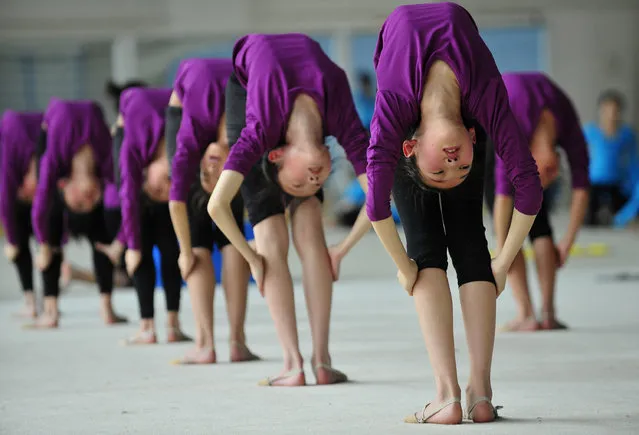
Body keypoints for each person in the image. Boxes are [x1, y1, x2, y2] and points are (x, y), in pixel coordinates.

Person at [366, 3, 543, 424]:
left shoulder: (408, 102)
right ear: (406, 147)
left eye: (460, 167)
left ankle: (479, 391)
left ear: (473, 137)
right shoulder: (465, 101)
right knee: (425, 248)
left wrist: (504, 261)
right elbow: (375, 204)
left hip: (432, 89)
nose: (453, 163)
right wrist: (404, 266)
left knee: (470, 246)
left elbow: (530, 188)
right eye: (452, 168)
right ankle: (450, 394)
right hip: (431, 105)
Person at [208, 33, 371, 386]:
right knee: (270, 238)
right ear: (276, 154)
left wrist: (341, 249)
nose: (313, 183)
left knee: (312, 237)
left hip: (292, 79)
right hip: (247, 82)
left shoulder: (341, 115)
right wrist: (251, 258)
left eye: (313, 183)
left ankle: (322, 359)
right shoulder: (259, 131)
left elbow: (379, 198)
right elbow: (216, 205)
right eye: (303, 185)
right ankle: (293, 361)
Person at [166, 58, 258, 364]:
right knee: (198, 237)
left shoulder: (241, 142)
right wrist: (184, 251)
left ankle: (237, 340)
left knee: (228, 235)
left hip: (224, 83)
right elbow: (176, 200)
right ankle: (206, 342)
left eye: (213, 171)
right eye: (210, 170)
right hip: (199, 89)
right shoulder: (190, 140)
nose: (212, 166)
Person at [492, 72, 590, 332]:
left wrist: (567, 243)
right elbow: (502, 197)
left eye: (548, 176)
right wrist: (504, 253)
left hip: (532, 101)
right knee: (511, 230)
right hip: (492, 106)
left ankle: (546, 313)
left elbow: (582, 188)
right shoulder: (511, 129)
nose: (545, 178)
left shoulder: (568, 128)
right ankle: (528, 313)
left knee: (538, 217)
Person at [30, 98, 127, 328]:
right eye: (88, 202)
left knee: (101, 233)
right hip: (51, 121)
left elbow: (131, 204)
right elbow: (39, 208)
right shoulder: (57, 163)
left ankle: (107, 306)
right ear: (63, 185)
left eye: (81, 202)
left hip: (68, 116)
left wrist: (119, 242)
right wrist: (43, 245)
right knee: (52, 225)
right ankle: (50, 310)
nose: (90, 200)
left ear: (67, 185)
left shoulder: (104, 167)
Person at [110, 87, 190, 344]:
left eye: (168, 187)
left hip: (169, 106)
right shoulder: (130, 149)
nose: (165, 192)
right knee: (140, 251)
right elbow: (128, 198)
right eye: (160, 187)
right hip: (132, 108)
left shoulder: (183, 144)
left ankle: (173, 324)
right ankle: (147, 326)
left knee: (170, 250)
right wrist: (131, 246)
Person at [1, 110, 44, 318]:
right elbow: (5, 201)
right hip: (20, 179)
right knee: (19, 241)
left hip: (37, 163)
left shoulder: (49, 161)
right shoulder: (9, 162)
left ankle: (49, 299)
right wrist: (11, 240)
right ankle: (30, 300)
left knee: (46, 238)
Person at [583, 90, 638, 226]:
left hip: (616, 183)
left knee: (625, 213)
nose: (611, 115)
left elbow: (632, 162)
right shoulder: (590, 131)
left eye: (615, 110)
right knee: (588, 221)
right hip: (594, 184)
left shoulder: (627, 134)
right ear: (600, 111)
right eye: (607, 110)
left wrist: (632, 185)